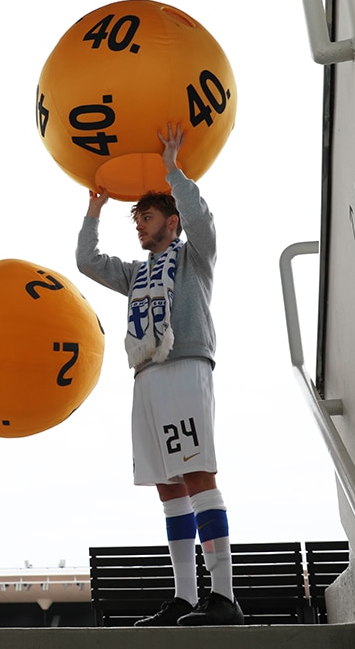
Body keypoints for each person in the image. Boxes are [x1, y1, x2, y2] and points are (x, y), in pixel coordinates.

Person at [75, 124, 244, 627]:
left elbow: (201, 216)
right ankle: (187, 598)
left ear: (171, 221)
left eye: (146, 218)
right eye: (138, 220)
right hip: (145, 375)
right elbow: (86, 260)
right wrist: (94, 210)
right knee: (168, 485)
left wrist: (174, 171)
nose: (140, 227)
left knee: (196, 474)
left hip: (186, 365)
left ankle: (224, 597)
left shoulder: (195, 256)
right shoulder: (134, 273)